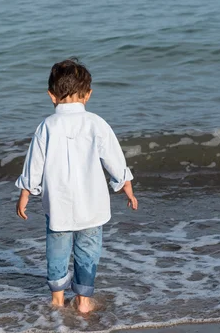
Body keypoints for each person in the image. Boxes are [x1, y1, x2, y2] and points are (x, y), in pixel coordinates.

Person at [15, 58, 138, 313]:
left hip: (58, 207)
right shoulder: (96, 123)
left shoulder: (46, 126)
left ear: (51, 96)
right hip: (92, 207)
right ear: (88, 95)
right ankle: (83, 302)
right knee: (88, 253)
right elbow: (114, 159)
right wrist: (125, 185)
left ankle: (57, 300)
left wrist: (25, 193)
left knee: (57, 252)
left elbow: (33, 164)